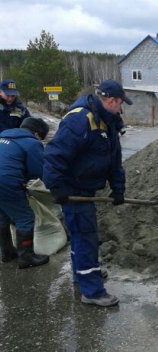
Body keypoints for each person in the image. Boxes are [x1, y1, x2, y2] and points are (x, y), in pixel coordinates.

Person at [43, 79, 132, 307]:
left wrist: (118, 189)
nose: (121, 108)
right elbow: (54, 155)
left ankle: (81, 274)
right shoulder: (80, 120)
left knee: (82, 235)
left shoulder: (108, 121)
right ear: (111, 100)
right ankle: (92, 291)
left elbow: (115, 160)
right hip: (73, 189)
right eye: (121, 103)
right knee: (86, 237)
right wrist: (57, 188)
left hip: (86, 188)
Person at [0, 117, 50, 268]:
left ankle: (6, 252)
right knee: (25, 217)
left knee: (2, 214)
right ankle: (26, 257)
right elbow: (37, 173)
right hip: (6, 182)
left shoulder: (3, 136)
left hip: (4, 181)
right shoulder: (32, 143)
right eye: (41, 137)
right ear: (36, 133)